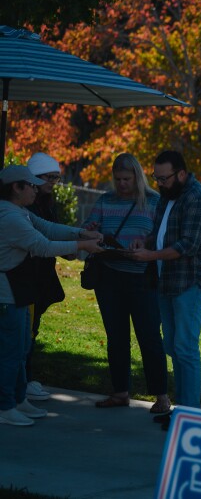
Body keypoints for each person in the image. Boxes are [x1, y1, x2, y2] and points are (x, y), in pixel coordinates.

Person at [0, 165, 103, 427]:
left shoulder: (19, 212)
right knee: (11, 352)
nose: (36, 189)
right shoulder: (9, 217)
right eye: (31, 185)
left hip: (18, 291)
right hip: (7, 294)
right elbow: (42, 245)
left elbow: (48, 228)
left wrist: (80, 232)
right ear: (16, 187)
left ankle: (18, 398)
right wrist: (82, 245)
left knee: (21, 347)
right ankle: (5, 405)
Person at [130, 150, 201, 428]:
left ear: (181, 174)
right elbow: (161, 232)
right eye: (156, 178)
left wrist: (151, 256)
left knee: (185, 348)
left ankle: (191, 417)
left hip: (190, 282)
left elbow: (187, 245)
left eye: (163, 178)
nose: (159, 184)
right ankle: (182, 412)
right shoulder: (168, 196)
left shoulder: (197, 198)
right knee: (173, 347)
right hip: (166, 281)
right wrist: (145, 241)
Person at [84, 153, 169, 414]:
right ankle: (120, 391)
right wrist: (94, 230)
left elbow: (164, 236)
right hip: (109, 275)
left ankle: (162, 396)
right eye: (117, 179)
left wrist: (145, 242)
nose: (121, 184)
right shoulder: (105, 200)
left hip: (142, 277)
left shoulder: (154, 201)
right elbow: (87, 228)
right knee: (116, 337)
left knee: (150, 338)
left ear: (137, 176)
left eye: (126, 179)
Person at [23, 152, 68, 402]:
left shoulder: (48, 204)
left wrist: (78, 238)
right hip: (25, 277)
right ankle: (21, 381)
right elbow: (43, 241)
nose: (53, 182)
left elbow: (53, 232)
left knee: (31, 329)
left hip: (41, 277)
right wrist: (77, 243)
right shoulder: (23, 209)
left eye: (56, 177)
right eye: (49, 177)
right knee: (22, 331)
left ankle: (24, 379)